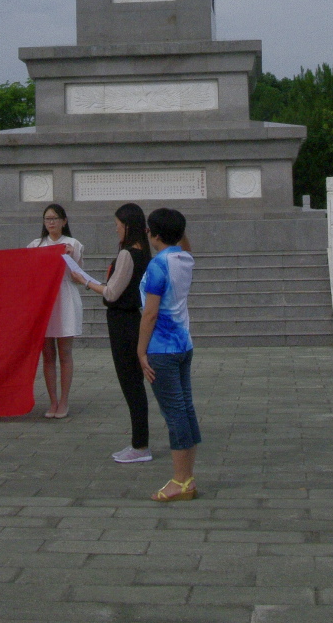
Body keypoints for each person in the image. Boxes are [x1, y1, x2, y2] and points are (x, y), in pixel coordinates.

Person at [80, 202, 151, 463]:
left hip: (123, 321)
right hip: (134, 318)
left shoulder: (128, 254)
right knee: (135, 384)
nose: (116, 230)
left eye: (118, 226)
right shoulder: (145, 252)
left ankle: (140, 445)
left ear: (128, 227)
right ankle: (140, 442)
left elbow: (112, 291)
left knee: (130, 383)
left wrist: (86, 281)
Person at [139, 207, 199, 502]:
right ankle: (186, 477)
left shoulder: (158, 265)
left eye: (149, 229)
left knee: (174, 413)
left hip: (161, 348)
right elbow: (184, 243)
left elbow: (149, 313)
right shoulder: (184, 258)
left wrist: (140, 351)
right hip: (183, 344)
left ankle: (180, 480)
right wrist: (178, 226)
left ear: (155, 234)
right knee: (185, 409)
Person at [27, 204, 86, 419]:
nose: (51, 222)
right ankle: (52, 400)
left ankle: (64, 401)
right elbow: (29, 274)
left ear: (64, 221)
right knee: (48, 354)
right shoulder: (36, 245)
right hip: (44, 300)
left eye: (54, 218)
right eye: (47, 219)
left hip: (65, 297)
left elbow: (78, 276)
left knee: (65, 353)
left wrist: (70, 256)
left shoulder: (73, 244)